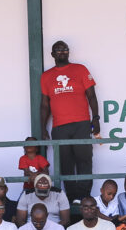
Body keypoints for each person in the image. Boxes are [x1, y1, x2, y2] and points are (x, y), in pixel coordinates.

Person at [39, 40, 98, 203]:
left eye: (64, 49)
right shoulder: (46, 76)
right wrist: (43, 128)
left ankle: (84, 195)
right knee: (66, 163)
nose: (62, 52)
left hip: (82, 123)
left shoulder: (80, 69)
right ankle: (72, 197)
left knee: (84, 159)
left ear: (69, 52)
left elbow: (92, 96)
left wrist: (96, 119)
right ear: (52, 54)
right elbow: (44, 105)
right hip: (60, 126)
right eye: (58, 50)